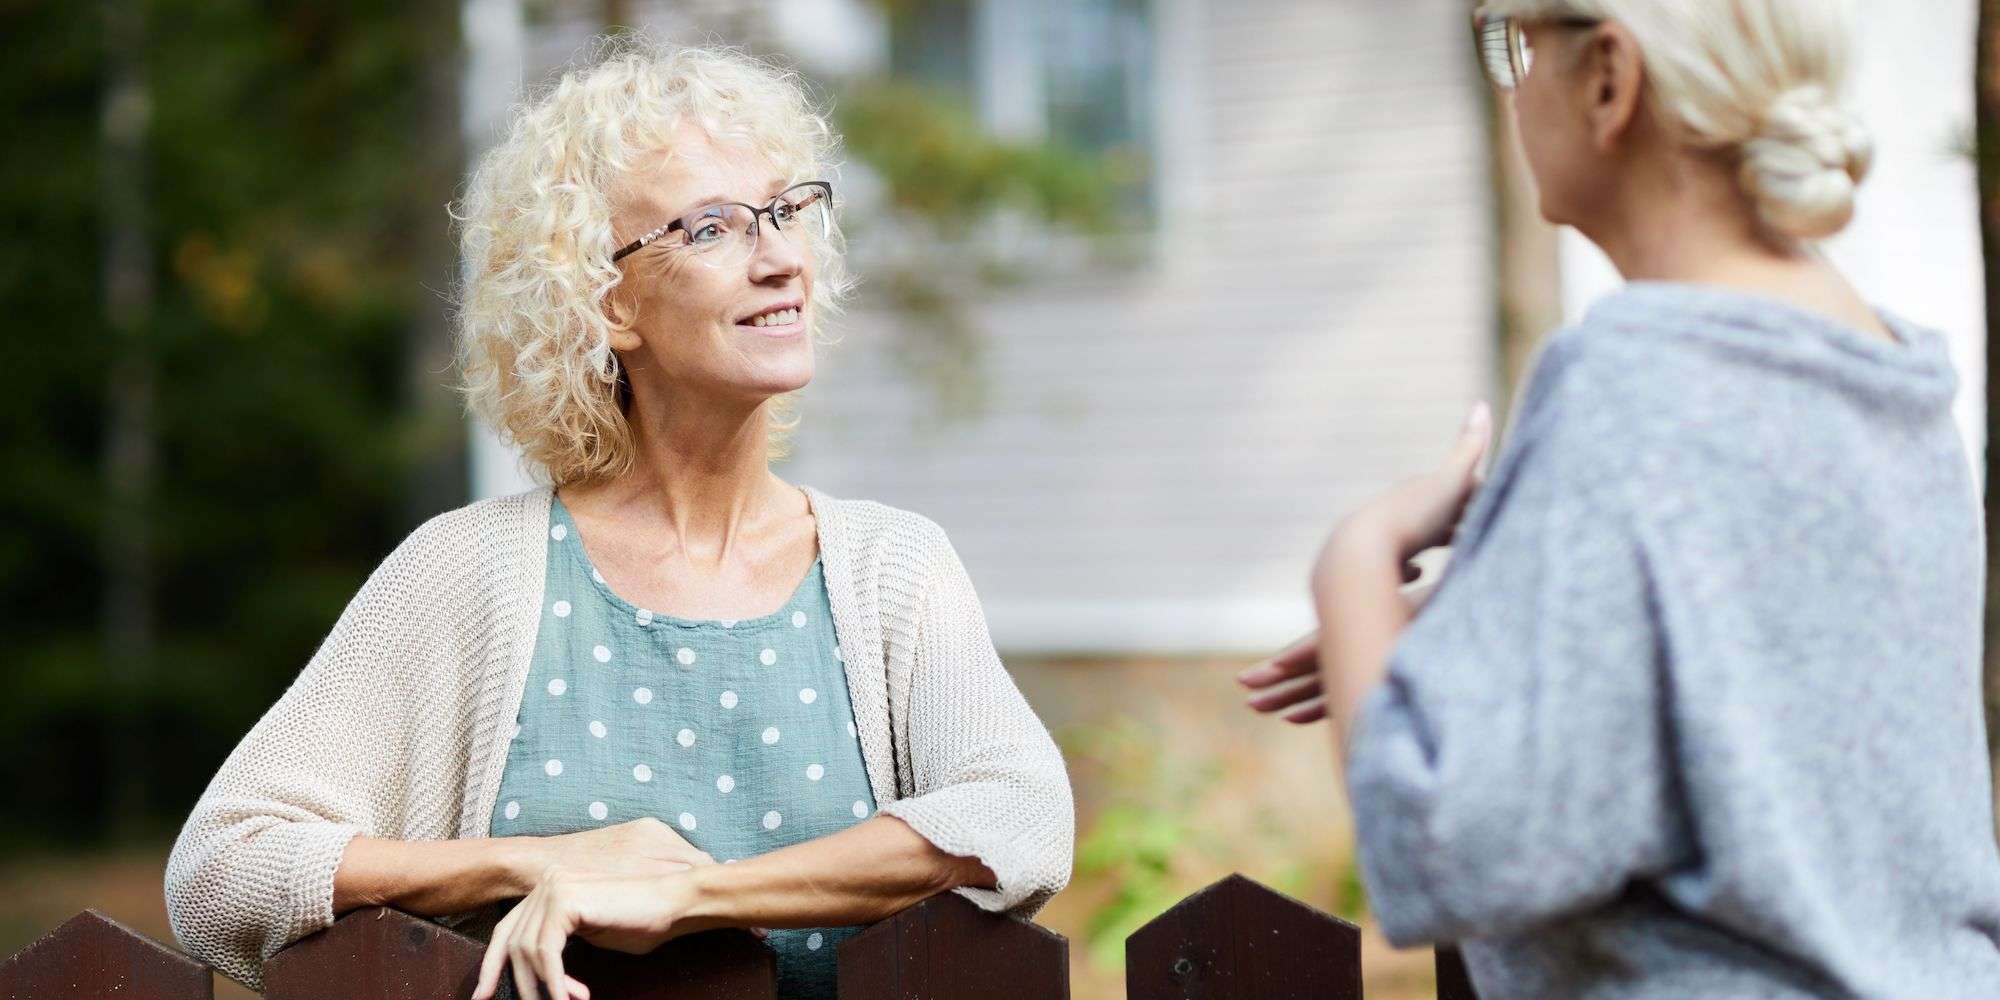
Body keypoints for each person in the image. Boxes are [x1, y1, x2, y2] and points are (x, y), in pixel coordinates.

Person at [163, 41, 1072, 1000]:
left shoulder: (894, 567)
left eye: (785, 209)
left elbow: (1018, 815)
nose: (778, 258)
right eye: (712, 228)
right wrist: (530, 864)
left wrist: (696, 896)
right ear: (605, 302)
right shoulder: (465, 572)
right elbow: (223, 870)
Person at [1241, 1, 2000, 996]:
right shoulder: (1886, 374)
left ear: (1607, 76)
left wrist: (1355, 556)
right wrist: (1503, 599)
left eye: (1512, 42)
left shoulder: (1629, 377)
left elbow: (1439, 853)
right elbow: (1775, 667)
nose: (1508, 89)